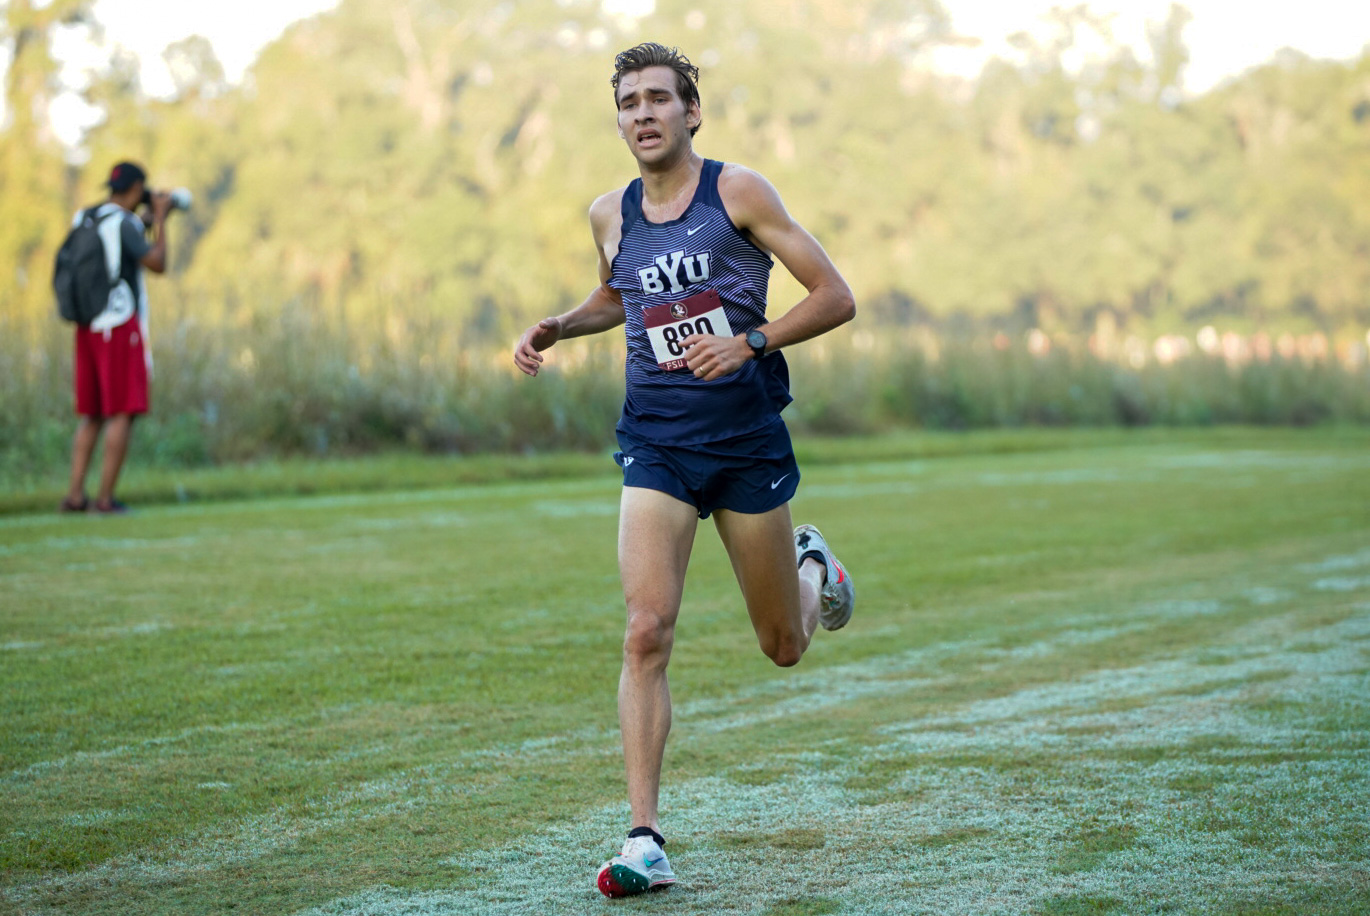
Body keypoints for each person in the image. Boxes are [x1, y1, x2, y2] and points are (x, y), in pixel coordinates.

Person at [512, 43, 856, 897]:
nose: (643, 114)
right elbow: (619, 295)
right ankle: (644, 838)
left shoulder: (738, 193)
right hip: (656, 444)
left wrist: (750, 343)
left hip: (744, 444)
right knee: (645, 630)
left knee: (782, 646)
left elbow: (835, 294)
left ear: (691, 112)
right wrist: (562, 323)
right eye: (629, 103)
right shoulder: (609, 212)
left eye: (659, 99)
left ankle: (813, 566)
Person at [60, 161, 171, 514]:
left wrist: (146, 223)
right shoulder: (123, 223)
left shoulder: (87, 217)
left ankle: (75, 496)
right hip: (119, 324)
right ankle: (105, 499)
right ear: (137, 188)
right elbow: (157, 262)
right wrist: (162, 220)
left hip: (87, 325)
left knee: (92, 413)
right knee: (122, 410)